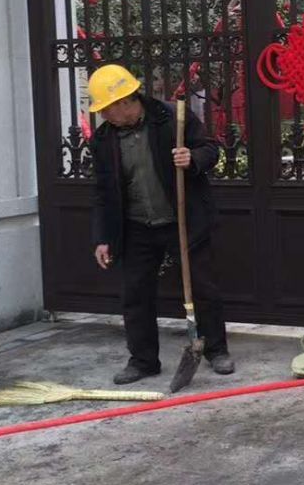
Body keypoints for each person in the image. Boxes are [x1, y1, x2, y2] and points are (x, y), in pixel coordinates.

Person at [88, 64, 235, 384]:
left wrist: (192, 159)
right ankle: (143, 361)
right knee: (135, 294)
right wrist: (102, 237)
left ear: (124, 101)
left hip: (182, 219)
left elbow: (211, 149)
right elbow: (103, 192)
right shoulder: (103, 139)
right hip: (136, 226)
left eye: (106, 109)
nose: (103, 115)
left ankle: (216, 350)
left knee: (203, 288)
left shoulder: (171, 118)